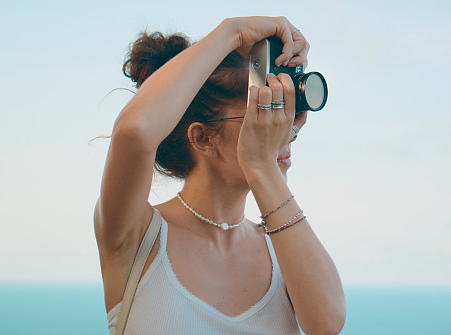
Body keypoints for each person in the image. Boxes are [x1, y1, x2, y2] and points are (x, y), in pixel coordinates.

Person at [93, 16, 345, 334]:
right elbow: (134, 132)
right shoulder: (138, 237)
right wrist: (232, 32)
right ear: (202, 138)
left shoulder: (282, 248)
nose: (284, 130)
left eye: (285, 111)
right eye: (264, 112)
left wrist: (265, 168)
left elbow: (327, 322)